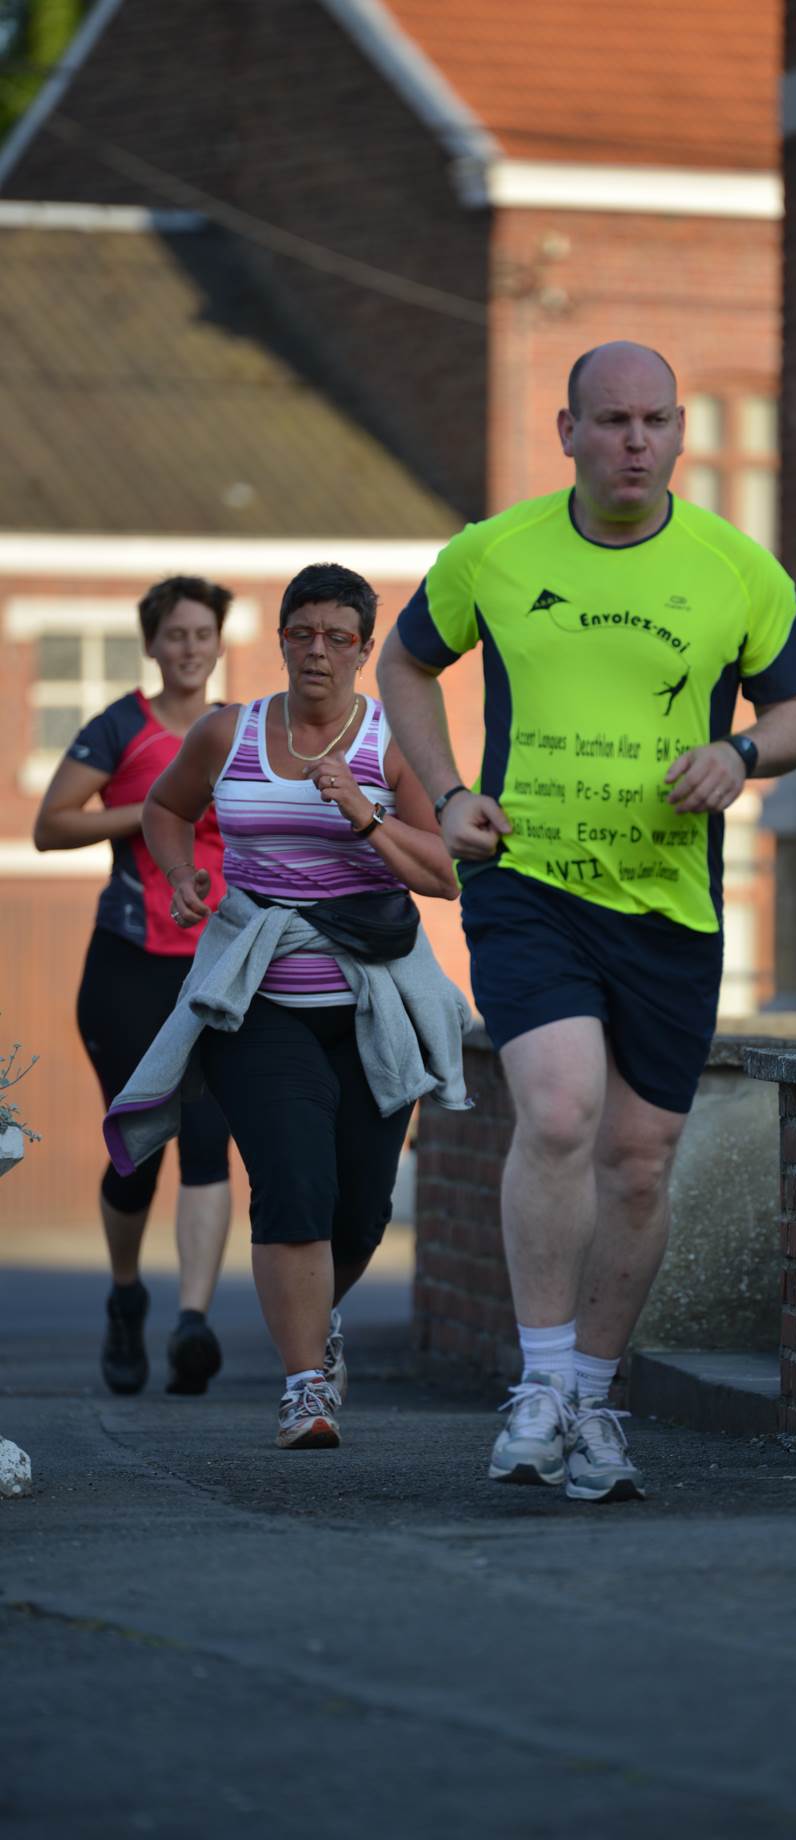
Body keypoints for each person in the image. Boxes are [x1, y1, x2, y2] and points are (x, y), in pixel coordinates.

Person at [377, 341, 796, 1501]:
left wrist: (740, 754)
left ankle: (590, 1397)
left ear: (678, 431)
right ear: (568, 431)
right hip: (527, 882)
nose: (635, 440)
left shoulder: (737, 569)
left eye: (654, 420)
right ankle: (535, 1388)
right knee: (562, 1109)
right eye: (612, 419)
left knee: (638, 1160)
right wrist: (447, 793)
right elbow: (405, 665)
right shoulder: (495, 551)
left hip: (669, 903)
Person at [104, 563, 469, 1451]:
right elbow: (164, 811)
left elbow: (445, 874)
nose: (317, 652)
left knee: (362, 1210)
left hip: (372, 1002)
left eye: (337, 637)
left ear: (365, 650)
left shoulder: (390, 743)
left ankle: (316, 1322)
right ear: (280, 640)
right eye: (301, 633)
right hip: (259, 997)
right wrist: (183, 873)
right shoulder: (228, 732)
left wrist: (365, 816)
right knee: (293, 1181)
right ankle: (304, 1388)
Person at [33, 576, 235, 1398]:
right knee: (140, 1147)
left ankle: (193, 1324)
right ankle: (126, 1298)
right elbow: (51, 825)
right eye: (175, 634)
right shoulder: (120, 726)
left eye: (202, 634)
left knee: (210, 1136)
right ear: (151, 644)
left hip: (219, 963)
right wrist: (157, 809)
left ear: (219, 644)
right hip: (128, 962)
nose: (190, 648)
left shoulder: (238, 730)